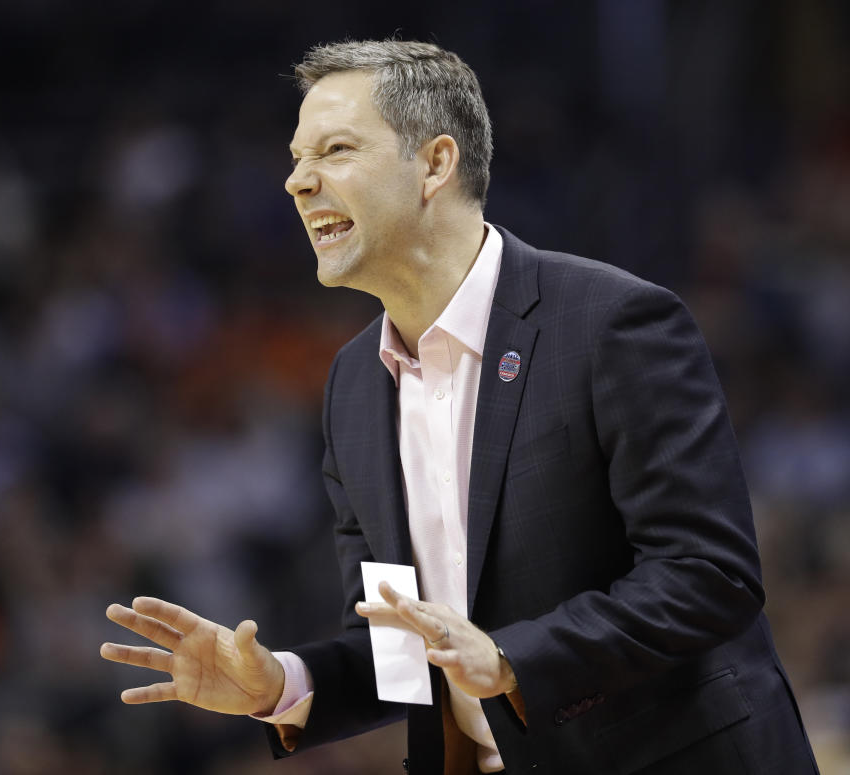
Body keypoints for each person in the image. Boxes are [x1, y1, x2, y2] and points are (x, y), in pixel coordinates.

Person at [101, 40, 819, 774]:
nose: (297, 181)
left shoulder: (612, 323)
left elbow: (709, 573)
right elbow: (403, 649)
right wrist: (283, 682)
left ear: (436, 164)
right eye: (295, 157)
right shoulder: (352, 384)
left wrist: (511, 658)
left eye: (335, 150)